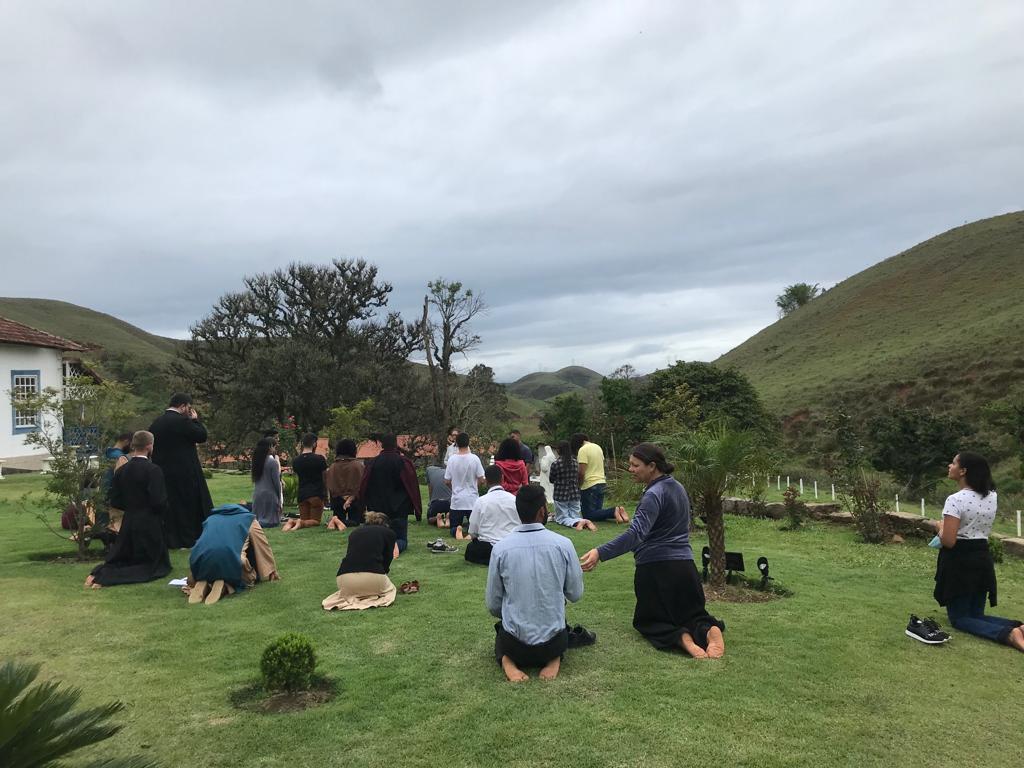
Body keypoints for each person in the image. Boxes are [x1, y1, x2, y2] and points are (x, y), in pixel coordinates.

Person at [580, 443, 725, 659]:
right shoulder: (678, 487)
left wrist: (600, 552)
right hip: (685, 568)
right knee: (693, 615)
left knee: (650, 621)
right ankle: (709, 630)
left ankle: (682, 639)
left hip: (655, 569)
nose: (630, 469)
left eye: (635, 465)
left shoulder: (653, 494)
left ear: (652, 466)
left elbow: (636, 534)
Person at [486, 484, 585, 682]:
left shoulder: (500, 549)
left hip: (514, 644)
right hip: (552, 643)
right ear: (542, 511)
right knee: (561, 629)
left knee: (502, 630)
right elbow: (575, 594)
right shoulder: (563, 544)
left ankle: (508, 661)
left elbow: (493, 605)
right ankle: (554, 658)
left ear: (518, 511)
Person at [933, 452, 1024, 651]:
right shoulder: (992, 496)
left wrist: (939, 527)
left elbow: (948, 541)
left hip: (960, 561)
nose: (949, 466)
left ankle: (1008, 634)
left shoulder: (955, 500)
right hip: (982, 556)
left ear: (963, 471)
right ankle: (1019, 627)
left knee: (960, 619)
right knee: (976, 614)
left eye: (954, 463)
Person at [85, 431, 172, 588]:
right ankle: (105, 579)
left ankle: (97, 575)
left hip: (129, 520)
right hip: (149, 523)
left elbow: (115, 499)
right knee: (154, 566)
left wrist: (130, 507)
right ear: (149, 446)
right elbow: (159, 501)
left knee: (124, 558)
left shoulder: (122, 470)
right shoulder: (153, 470)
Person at [149, 393, 213, 548]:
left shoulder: (156, 423)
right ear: (183, 406)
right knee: (188, 506)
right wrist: (195, 420)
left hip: (163, 472)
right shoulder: (182, 421)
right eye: (189, 407)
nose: (189, 410)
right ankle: (189, 537)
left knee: (172, 507)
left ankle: (172, 539)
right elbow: (201, 436)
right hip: (185, 472)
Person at [186, 503, 280, 605]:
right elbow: (262, 544)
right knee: (248, 579)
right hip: (232, 561)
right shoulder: (249, 519)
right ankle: (226, 586)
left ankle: (205, 582)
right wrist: (271, 569)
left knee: (214, 562)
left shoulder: (211, 519)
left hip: (200, 561)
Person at [322, 511, 399, 611]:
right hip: (373, 577)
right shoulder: (389, 533)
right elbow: (387, 558)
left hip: (344, 579)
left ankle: (360, 591)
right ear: (386, 524)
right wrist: (383, 573)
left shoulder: (354, 532)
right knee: (390, 589)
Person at [357, 433, 422, 552]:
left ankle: (381, 547)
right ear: (396, 444)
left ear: (382, 445)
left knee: (377, 538)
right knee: (401, 538)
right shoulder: (404, 462)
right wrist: (417, 510)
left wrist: (361, 507)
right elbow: (412, 486)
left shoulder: (372, 463)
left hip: (377, 510)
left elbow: (363, 486)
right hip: (399, 509)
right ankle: (396, 546)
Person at [466, 465, 521, 565]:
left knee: (471, 548)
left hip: (488, 547)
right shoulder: (514, 499)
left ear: (486, 481)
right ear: (502, 478)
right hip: (512, 545)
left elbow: (472, 531)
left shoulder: (481, 501)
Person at [572, 433, 628, 524]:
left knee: (588, 515)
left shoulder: (582, 450)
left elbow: (581, 472)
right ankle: (618, 513)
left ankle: (613, 511)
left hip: (589, 484)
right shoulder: (598, 447)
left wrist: (579, 485)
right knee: (597, 513)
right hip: (601, 482)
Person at [283, 433, 327, 532]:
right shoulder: (319, 459)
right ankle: (296, 522)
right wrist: (325, 495)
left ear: (303, 444)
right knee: (315, 521)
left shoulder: (296, 461)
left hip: (302, 494)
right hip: (316, 493)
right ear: (314, 444)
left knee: (305, 520)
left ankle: (295, 522)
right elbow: (325, 477)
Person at [444, 432, 485, 539]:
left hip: (457, 500)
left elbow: (447, 481)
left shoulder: (452, 459)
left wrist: (454, 488)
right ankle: (470, 534)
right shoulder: (475, 459)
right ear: (468, 442)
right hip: (472, 500)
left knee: (453, 526)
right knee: (475, 527)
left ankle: (458, 530)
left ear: (456, 443)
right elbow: (482, 479)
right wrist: (476, 487)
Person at [548, 441, 596, 532]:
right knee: (574, 515)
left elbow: (551, 479)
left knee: (562, 518)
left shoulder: (556, 464)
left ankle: (580, 522)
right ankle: (582, 522)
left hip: (560, 494)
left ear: (559, 450)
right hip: (574, 493)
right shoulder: (575, 462)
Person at [325, 439, 364, 531]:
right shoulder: (358, 466)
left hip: (337, 499)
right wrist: (350, 497)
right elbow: (361, 484)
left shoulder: (333, 466)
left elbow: (330, 485)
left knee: (339, 518)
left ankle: (335, 521)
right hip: (355, 500)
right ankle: (337, 521)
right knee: (355, 521)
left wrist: (341, 496)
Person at [250, 437, 282, 528]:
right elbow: (276, 482)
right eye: (273, 447)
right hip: (269, 495)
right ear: (269, 447)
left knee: (257, 520)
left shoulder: (256, 462)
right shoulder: (273, 462)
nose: (274, 449)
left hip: (257, 494)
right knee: (271, 522)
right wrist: (279, 498)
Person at [425, 464, 452, 529]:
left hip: (436, 502)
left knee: (429, 519)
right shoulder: (451, 472)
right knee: (453, 515)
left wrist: (431, 502)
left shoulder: (429, 470)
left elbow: (430, 489)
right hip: (449, 503)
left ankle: (437, 518)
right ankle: (448, 518)